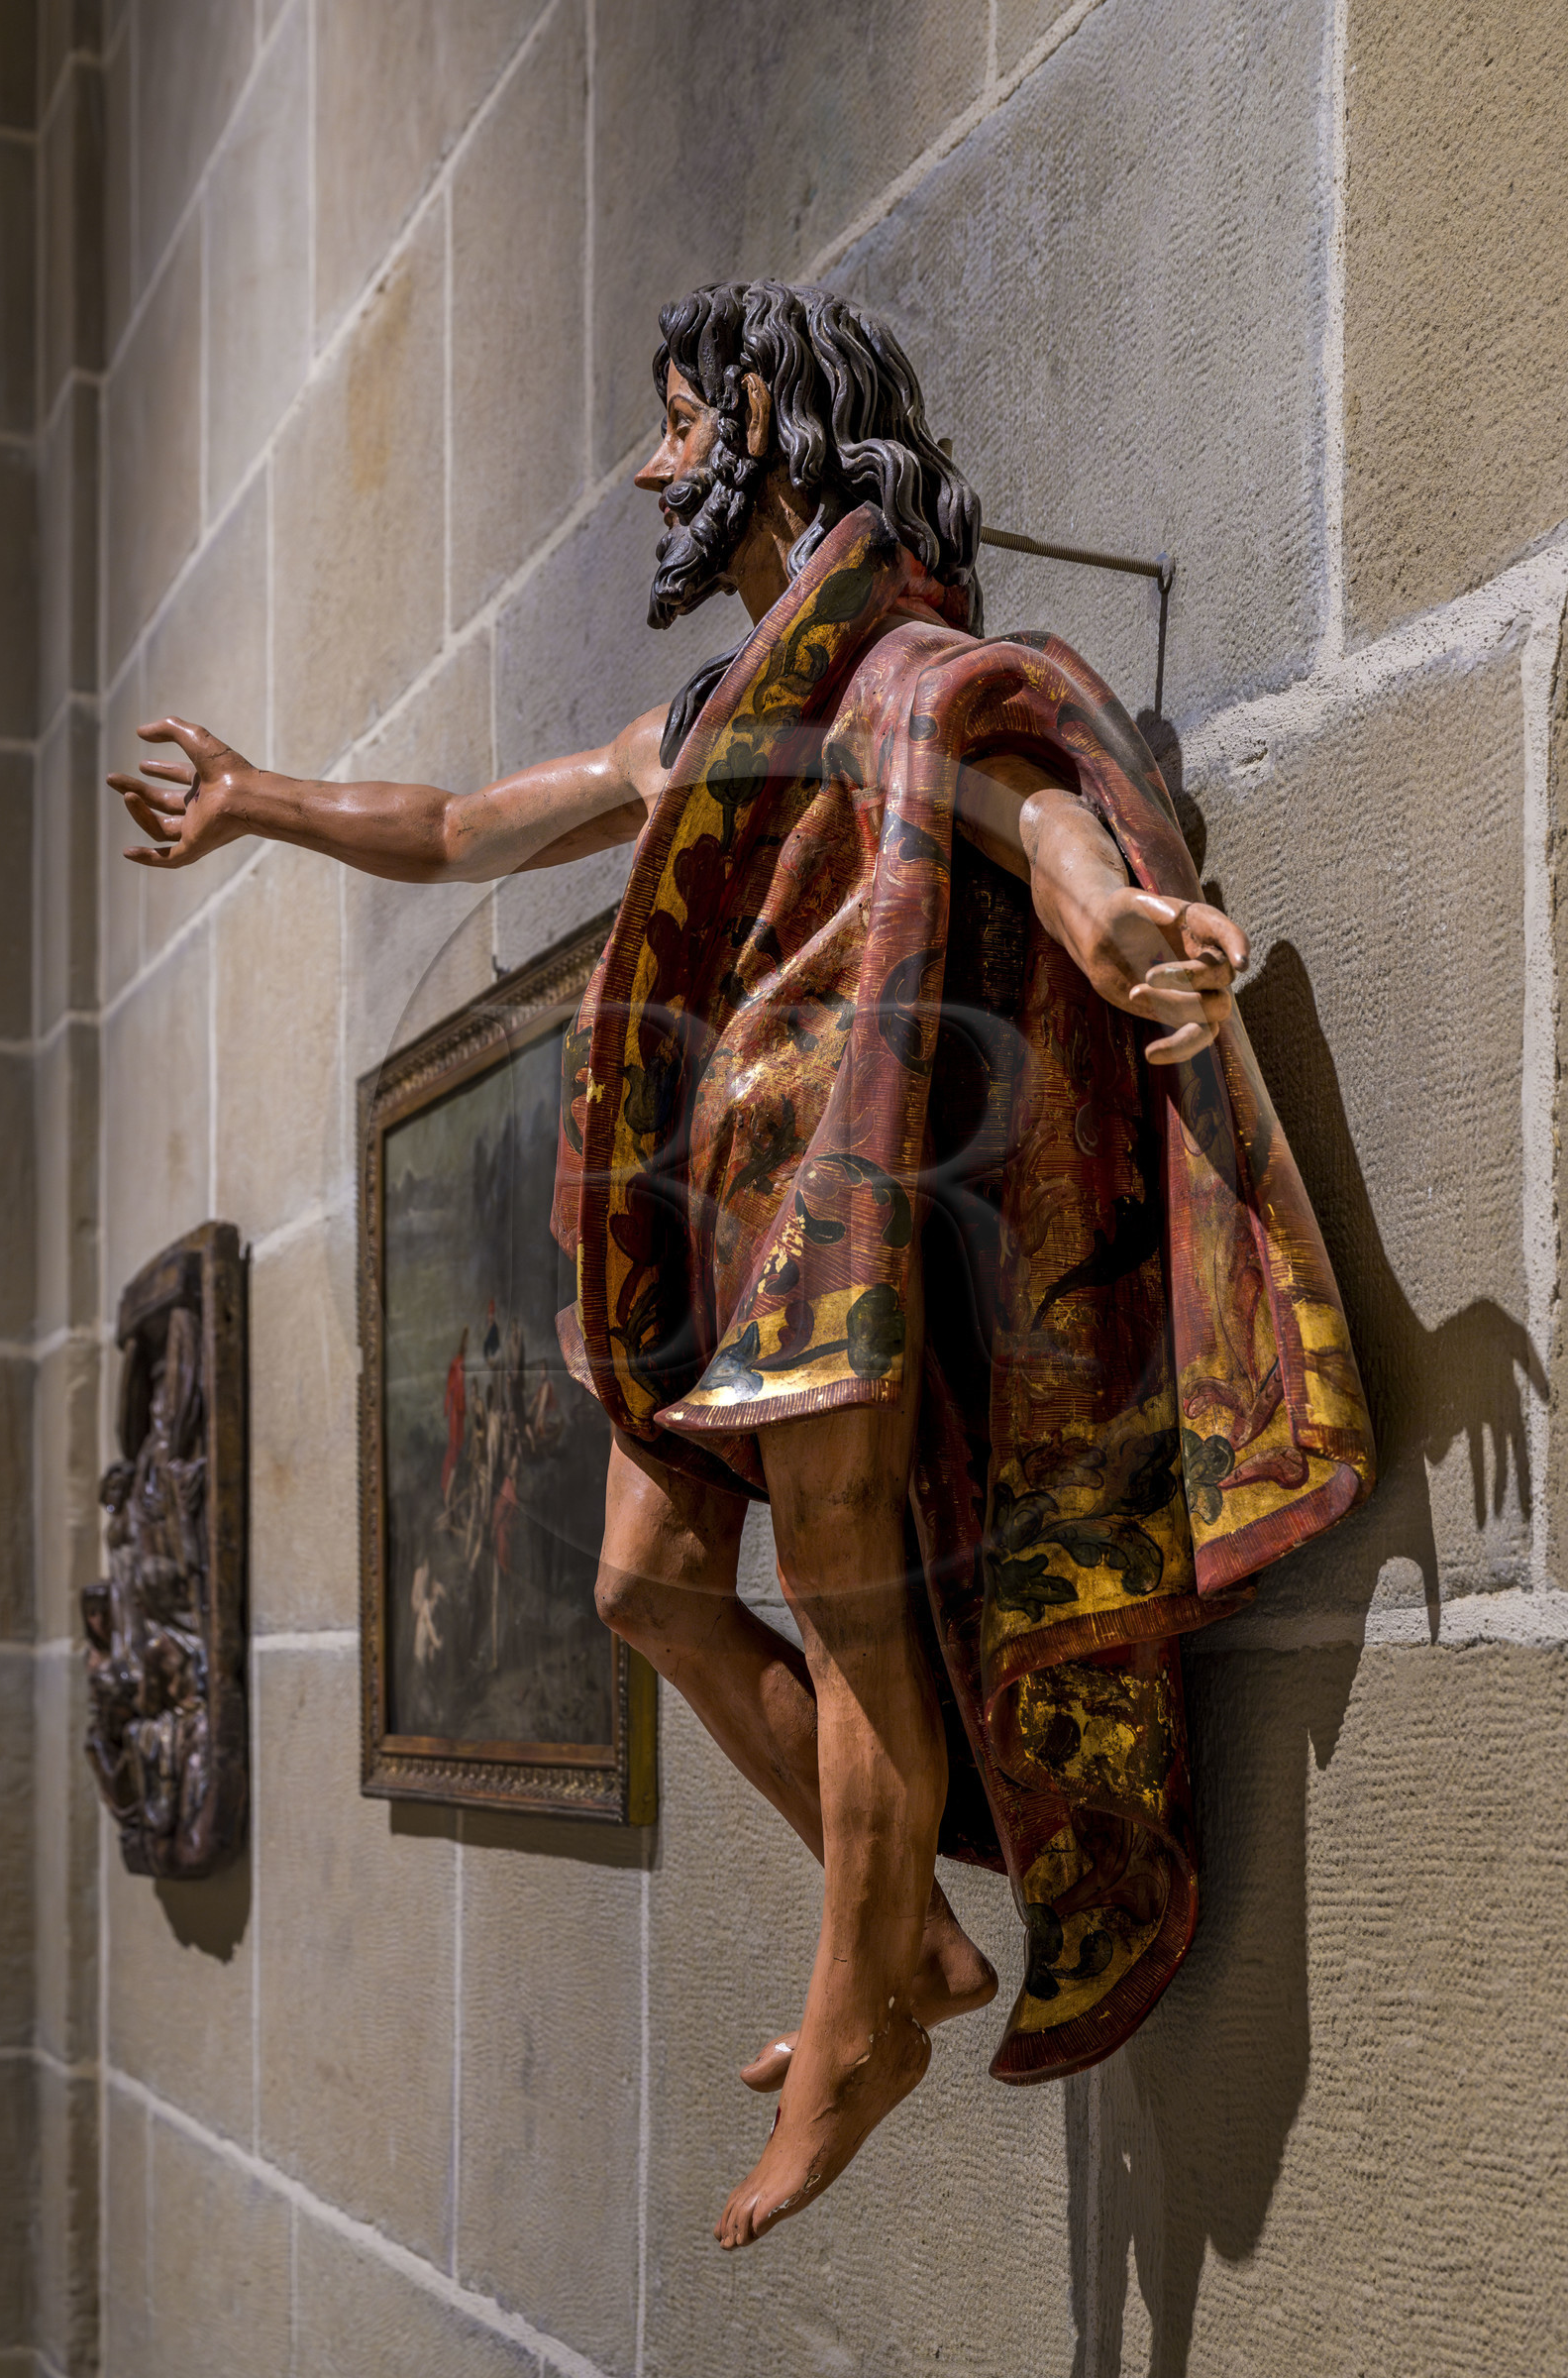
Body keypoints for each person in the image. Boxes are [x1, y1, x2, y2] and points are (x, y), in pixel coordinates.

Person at [110, 280, 1372, 2248]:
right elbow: (457, 827)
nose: (649, 473)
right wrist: (264, 798)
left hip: (853, 1193)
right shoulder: (706, 720)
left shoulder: (899, 673)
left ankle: (857, 2015)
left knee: (851, 1591)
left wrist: (1117, 922)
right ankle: (906, 1940)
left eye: (679, 428)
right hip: (730, 1217)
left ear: (767, 419)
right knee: (642, 1586)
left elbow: (1024, 805)